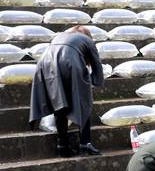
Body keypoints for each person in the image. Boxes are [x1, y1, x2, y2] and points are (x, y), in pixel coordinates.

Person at [29, 26, 104, 158]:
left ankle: (62, 146)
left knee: (59, 102)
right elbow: (96, 63)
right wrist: (95, 81)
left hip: (45, 63)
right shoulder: (87, 40)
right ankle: (85, 143)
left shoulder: (58, 36)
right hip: (70, 61)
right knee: (84, 102)